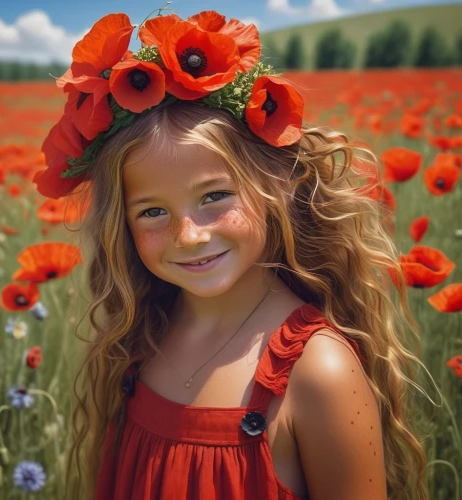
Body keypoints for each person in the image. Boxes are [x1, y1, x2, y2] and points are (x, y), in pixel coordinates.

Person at [34, 7, 431, 500]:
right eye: (152, 212)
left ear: (275, 187)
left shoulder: (317, 372)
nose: (189, 235)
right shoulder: (142, 331)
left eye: (214, 197)